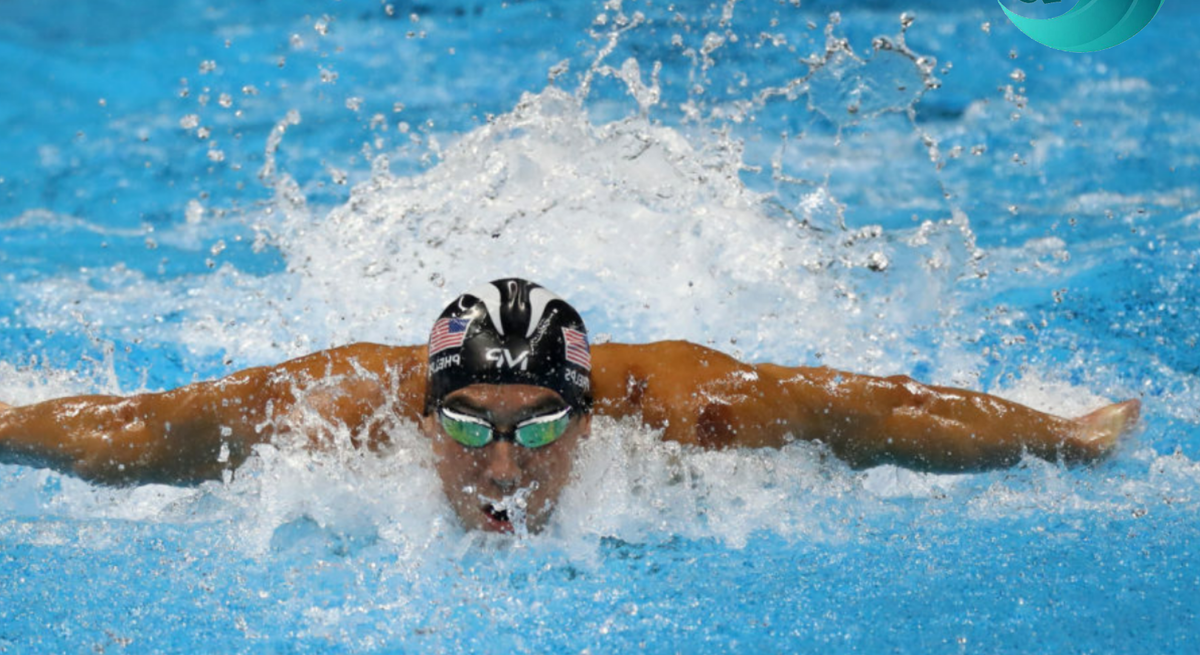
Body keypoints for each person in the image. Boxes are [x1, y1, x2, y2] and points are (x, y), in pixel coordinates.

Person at [0, 277, 1140, 533]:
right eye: (469, 428)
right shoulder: (337, 407)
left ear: (593, 418)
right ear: (422, 411)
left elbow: (877, 413)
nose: (503, 469)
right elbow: (143, 432)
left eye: (542, 426)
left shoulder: (698, 407)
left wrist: (1057, 440)